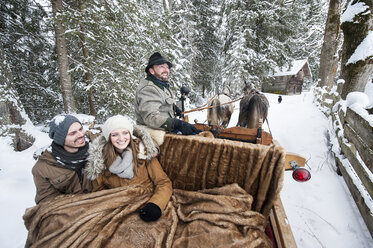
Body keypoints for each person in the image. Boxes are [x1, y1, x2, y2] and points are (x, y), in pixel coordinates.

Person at [85, 115, 172, 222]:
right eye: (115, 134)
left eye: (125, 133)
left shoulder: (143, 152)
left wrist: (156, 205)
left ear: (130, 134)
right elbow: (99, 191)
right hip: (119, 207)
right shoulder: (101, 160)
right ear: (109, 137)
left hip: (147, 202)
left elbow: (163, 182)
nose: (121, 138)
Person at [32, 114, 92, 204]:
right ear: (61, 139)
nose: (81, 134)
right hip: (72, 213)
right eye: (72, 133)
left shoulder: (96, 150)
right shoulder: (42, 169)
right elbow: (46, 202)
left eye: (80, 129)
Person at [135, 52, 199, 135]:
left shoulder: (160, 85)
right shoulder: (149, 88)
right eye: (161, 67)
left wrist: (174, 108)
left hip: (164, 131)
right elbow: (150, 118)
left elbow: (161, 102)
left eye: (167, 67)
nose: (166, 70)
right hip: (154, 135)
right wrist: (176, 123)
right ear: (151, 71)